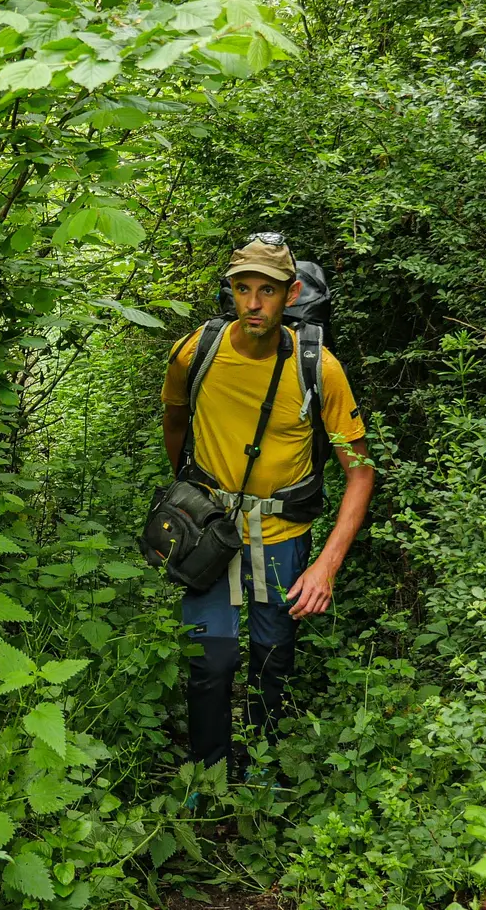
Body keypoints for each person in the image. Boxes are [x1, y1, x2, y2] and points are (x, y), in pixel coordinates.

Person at [160, 234, 374, 780]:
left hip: (282, 536)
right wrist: (190, 498)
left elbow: (360, 472)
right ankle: (206, 780)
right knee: (210, 662)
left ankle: (259, 771)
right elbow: (175, 422)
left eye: (268, 291)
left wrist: (326, 565)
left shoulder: (319, 369)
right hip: (210, 533)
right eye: (243, 289)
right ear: (230, 290)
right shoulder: (196, 352)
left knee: (272, 656)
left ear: (291, 292)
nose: (254, 303)